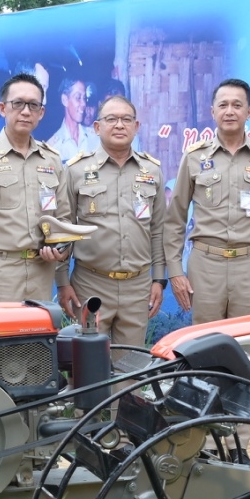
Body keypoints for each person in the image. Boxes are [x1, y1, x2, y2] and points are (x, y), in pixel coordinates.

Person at [168, 79, 250, 325]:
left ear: (249, 112)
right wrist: (175, 272)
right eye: (223, 105)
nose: (230, 111)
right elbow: (175, 219)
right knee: (206, 339)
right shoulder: (194, 156)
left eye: (237, 105)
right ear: (213, 111)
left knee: (245, 338)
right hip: (205, 265)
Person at [56, 93, 165, 345]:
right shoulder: (76, 170)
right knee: (87, 361)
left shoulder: (152, 171)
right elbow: (63, 229)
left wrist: (159, 279)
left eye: (126, 119)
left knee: (131, 362)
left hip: (138, 287)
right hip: (90, 284)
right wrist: (62, 282)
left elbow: (159, 229)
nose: (119, 125)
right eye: (111, 119)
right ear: (97, 127)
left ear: (136, 126)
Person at [0, 73, 69, 303]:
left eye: (33, 105)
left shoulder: (51, 159)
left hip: (41, 273)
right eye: (18, 103)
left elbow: (63, 219)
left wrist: (60, 248)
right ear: (3, 108)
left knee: (38, 328)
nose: (26, 111)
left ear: (41, 112)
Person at [47, 77, 98, 164]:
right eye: (78, 98)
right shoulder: (53, 148)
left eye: (84, 98)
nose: (84, 104)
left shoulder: (95, 138)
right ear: (65, 100)